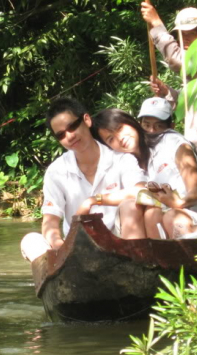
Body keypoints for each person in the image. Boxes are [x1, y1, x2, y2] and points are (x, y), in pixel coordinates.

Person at [20, 98, 150, 262]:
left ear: (86, 120)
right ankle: (60, 278)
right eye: (61, 135)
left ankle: (137, 266)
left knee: (130, 205)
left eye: (72, 126)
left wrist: (95, 200)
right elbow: (50, 223)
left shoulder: (121, 159)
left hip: (119, 240)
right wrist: (61, 249)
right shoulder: (56, 171)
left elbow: (142, 192)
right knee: (30, 241)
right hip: (78, 248)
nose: (70, 136)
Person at [91, 108, 197, 240]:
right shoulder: (129, 166)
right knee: (144, 210)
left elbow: (195, 193)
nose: (120, 138)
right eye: (111, 139)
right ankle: (147, 264)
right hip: (168, 224)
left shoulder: (169, 140)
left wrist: (178, 203)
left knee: (170, 216)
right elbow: (135, 193)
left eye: (120, 128)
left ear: (132, 122)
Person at [141, 2, 197, 147]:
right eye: (182, 34)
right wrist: (167, 92)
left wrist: (157, 24)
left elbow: (178, 61)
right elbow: (189, 101)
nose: (185, 39)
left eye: (190, 34)